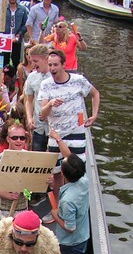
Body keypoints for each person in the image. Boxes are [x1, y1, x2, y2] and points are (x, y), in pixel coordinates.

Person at [38, 49, 100, 177]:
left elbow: (95, 94)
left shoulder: (78, 80)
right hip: (56, 133)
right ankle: (59, 196)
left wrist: (94, 115)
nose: (52, 68)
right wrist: (50, 104)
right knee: (56, 174)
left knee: (78, 171)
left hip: (76, 132)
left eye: (55, 65)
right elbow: (42, 115)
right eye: (50, 65)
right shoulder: (45, 85)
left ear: (63, 65)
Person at [48, 131, 90, 254]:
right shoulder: (83, 181)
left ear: (63, 174)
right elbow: (70, 156)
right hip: (83, 236)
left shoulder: (67, 201)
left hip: (70, 243)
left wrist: (54, 215)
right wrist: (58, 139)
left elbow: (70, 227)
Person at [0, 119, 31, 220]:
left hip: (22, 212)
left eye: (22, 138)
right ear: (8, 139)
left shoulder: (29, 158)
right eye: (14, 138)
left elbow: (33, 184)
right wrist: (8, 195)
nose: (18, 141)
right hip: (2, 214)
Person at [23, 44, 52, 152]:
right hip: (38, 126)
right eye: (31, 61)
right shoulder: (32, 77)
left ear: (45, 59)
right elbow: (29, 101)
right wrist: (29, 118)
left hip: (53, 127)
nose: (33, 64)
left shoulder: (55, 76)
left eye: (35, 61)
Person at [0, 0, 30, 69]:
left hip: (17, 38)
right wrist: (0, 35)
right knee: (3, 59)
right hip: (5, 38)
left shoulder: (22, 9)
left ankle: (15, 76)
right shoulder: (2, 9)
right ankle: (3, 76)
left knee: (16, 59)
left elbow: (25, 24)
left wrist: (19, 34)